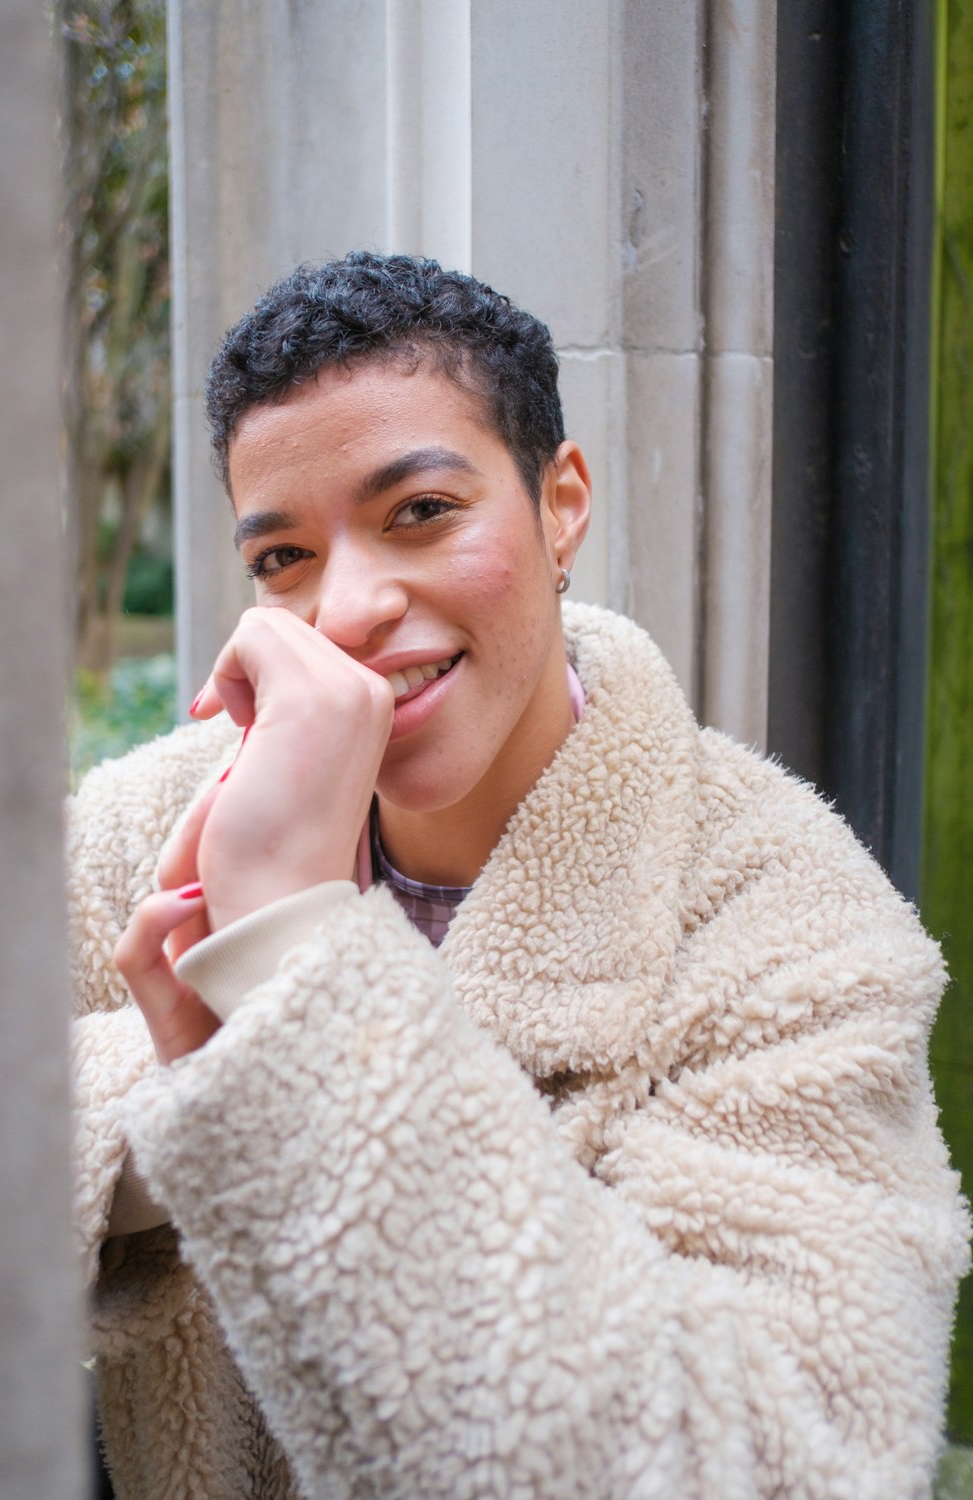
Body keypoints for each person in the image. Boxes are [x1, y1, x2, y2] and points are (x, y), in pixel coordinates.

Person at [70, 251, 969, 1500]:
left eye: (421, 512)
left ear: (561, 504)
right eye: (283, 558)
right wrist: (184, 1110)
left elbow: (780, 1465)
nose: (346, 610)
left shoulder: (794, 921)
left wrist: (290, 970)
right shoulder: (144, 830)